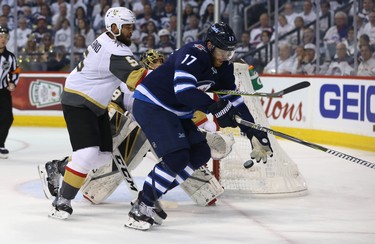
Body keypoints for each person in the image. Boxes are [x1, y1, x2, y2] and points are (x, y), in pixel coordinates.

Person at [125, 22, 273, 231]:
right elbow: (183, 91)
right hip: (152, 104)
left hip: (176, 112)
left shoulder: (225, 67)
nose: (226, 56)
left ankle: (150, 196)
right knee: (176, 157)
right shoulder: (193, 54)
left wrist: (252, 130)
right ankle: (142, 206)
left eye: (230, 52)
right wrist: (215, 108)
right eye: (222, 50)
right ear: (210, 45)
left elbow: (234, 100)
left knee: (200, 153)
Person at [48, 7, 148, 220]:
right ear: (114, 27)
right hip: (78, 101)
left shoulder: (107, 40)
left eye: (132, 26)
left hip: (96, 105)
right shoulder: (115, 51)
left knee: (102, 157)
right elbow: (140, 81)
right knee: (88, 155)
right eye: (127, 27)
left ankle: (59, 167)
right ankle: (62, 201)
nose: (132, 31)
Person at [0, 26, 20, 159]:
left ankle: (0, 144)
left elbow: (15, 71)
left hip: (2, 92)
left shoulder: (10, 57)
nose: (3, 40)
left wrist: (12, 83)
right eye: (1, 37)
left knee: (8, 117)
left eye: (5, 38)